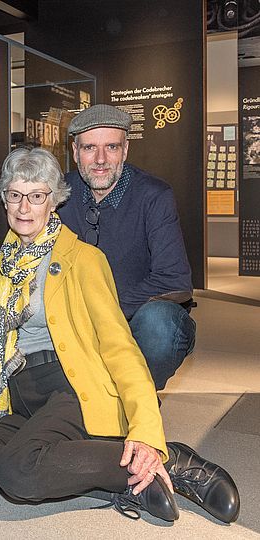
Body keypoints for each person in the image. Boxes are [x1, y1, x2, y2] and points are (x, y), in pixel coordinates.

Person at [0, 147, 239, 524]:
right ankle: (103, 470)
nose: (24, 207)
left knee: (17, 473)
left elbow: (120, 348)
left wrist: (147, 433)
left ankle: (164, 460)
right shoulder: (7, 262)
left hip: (69, 389)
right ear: (4, 199)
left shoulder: (83, 259)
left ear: (53, 201)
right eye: (15, 195)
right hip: (24, 398)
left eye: (37, 196)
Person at [58, 104, 195, 390]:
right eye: (89, 148)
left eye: (111, 147)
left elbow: (174, 278)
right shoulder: (59, 194)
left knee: (161, 325)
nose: (100, 159)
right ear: (74, 152)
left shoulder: (154, 195)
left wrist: (105, 311)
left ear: (126, 150)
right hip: (77, 320)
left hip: (135, 318)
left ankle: (138, 400)